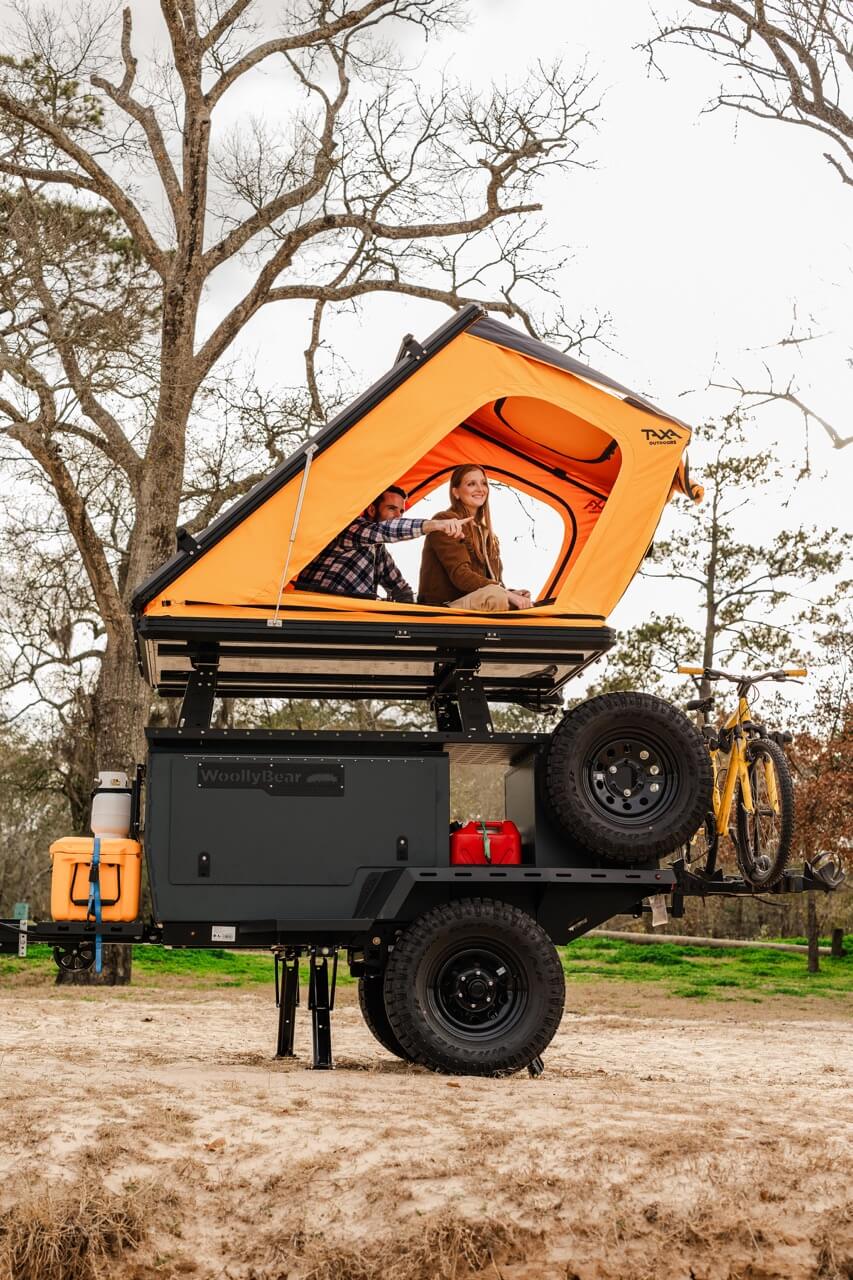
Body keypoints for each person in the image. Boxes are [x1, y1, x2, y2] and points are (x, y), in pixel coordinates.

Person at [294, 485, 469, 602]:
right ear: (372, 509)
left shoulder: (378, 550)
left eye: (401, 511)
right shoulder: (351, 529)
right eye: (392, 508)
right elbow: (387, 530)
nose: (398, 515)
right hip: (317, 609)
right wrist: (435, 525)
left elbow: (400, 587)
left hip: (352, 617)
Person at [418, 465, 533, 611]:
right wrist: (503, 594)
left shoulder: (489, 535)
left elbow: (492, 583)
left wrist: (511, 593)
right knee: (496, 597)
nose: (480, 489)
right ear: (456, 492)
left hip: (475, 602)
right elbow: (461, 576)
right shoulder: (446, 521)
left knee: (522, 602)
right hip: (444, 607)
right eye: (471, 484)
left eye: (483, 483)